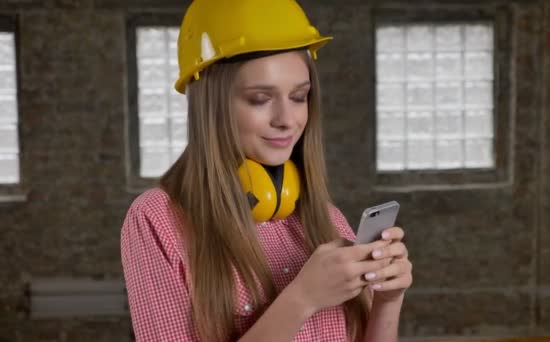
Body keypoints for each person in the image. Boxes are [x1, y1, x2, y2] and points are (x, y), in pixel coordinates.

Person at [120, 0, 413, 341]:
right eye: (260, 99)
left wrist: (388, 300)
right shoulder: (158, 220)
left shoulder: (327, 220)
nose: (287, 120)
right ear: (210, 106)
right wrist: (302, 299)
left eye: (300, 97)